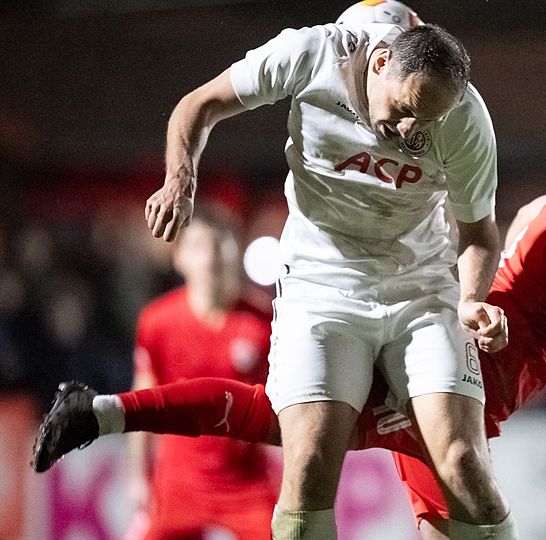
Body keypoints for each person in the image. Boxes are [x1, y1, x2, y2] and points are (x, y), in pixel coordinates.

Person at [33, 74, 546, 539]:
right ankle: (101, 412)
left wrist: (472, 309)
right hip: (444, 389)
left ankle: (101, 412)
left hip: (444, 366)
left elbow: (503, 264)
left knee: (273, 418)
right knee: (455, 493)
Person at [134, 12, 514, 540]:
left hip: (420, 286)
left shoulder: (465, 116)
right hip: (321, 283)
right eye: (405, 110)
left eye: (427, 121)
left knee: (463, 461)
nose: (411, 131)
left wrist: (471, 299)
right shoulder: (310, 56)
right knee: (310, 464)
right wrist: (180, 180)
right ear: (379, 62)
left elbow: (478, 234)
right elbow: (198, 105)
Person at [125, 208, 276, 539]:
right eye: (198, 246)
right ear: (179, 258)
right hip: (179, 481)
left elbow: (282, 408)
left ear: (236, 251)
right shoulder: (158, 322)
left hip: (244, 480)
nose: (210, 257)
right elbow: (142, 402)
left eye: (219, 245)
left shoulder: (264, 323)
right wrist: (138, 476)